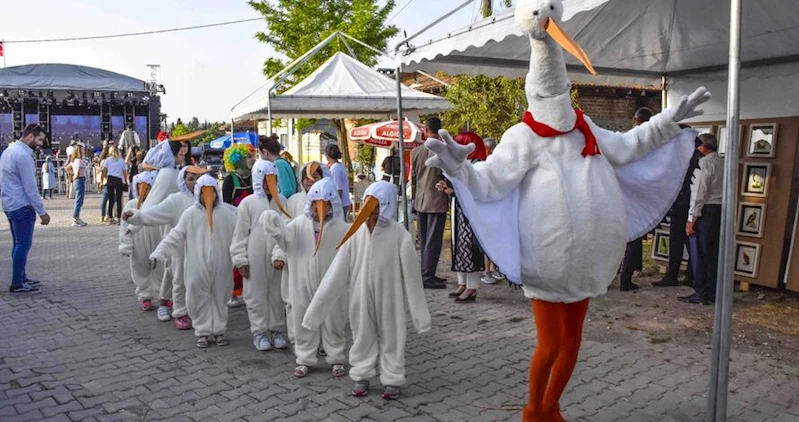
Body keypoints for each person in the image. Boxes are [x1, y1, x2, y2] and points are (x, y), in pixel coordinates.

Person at [424, 1, 709, 418]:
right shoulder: (522, 137)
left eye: (560, 93)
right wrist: (460, 167)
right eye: (547, 93)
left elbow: (629, 147)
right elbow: (491, 181)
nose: (555, 100)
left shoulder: (584, 127)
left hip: (588, 261)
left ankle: (551, 407)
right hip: (547, 261)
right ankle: (532, 411)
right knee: (550, 343)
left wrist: (666, 123)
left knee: (573, 342)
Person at [301, 181, 431, 400]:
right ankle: (361, 374)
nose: (373, 213)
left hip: (391, 298)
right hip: (360, 297)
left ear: (388, 206)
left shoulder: (401, 236)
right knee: (362, 335)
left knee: (392, 337)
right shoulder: (355, 234)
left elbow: (412, 279)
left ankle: (392, 378)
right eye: (368, 206)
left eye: (378, 206)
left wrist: (421, 317)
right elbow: (336, 274)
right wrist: (315, 313)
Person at [265, 178, 350, 379]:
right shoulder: (297, 225)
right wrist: (274, 229)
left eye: (325, 204)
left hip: (332, 285)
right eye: (315, 204)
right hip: (301, 282)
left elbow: (352, 251)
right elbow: (284, 242)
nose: (318, 209)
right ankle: (304, 358)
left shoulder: (342, 229)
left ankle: (336, 357)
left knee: (334, 320)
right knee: (302, 319)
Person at [151, 174, 237, 348]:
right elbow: (174, 236)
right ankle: (203, 330)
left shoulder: (227, 214)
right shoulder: (190, 215)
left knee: (221, 297)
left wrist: (242, 258)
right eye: (204, 192)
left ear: (216, 193)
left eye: (211, 192)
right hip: (196, 267)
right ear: (198, 193)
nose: (208, 196)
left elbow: (240, 236)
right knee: (198, 298)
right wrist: (159, 253)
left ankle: (219, 329)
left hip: (222, 266)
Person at [123, 166, 210, 328]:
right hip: (178, 247)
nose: (195, 183)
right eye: (191, 179)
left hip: (199, 247)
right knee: (177, 278)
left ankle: (190, 307)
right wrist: (137, 216)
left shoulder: (207, 197)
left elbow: (223, 211)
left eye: (198, 179)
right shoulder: (175, 199)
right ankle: (178, 311)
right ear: (182, 181)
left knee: (193, 278)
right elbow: (155, 212)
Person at [230, 160, 291, 351]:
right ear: (258, 179)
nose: (268, 185)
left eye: (272, 180)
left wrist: (281, 253)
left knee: (276, 295)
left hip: (277, 260)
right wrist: (240, 259)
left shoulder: (282, 201)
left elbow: (286, 230)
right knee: (255, 295)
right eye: (265, 180)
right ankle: (259, 332)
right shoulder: (248, 204)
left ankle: (277, 330)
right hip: (254, 257)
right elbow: (240, 234)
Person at [0, 124, 51, 294]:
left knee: (18, 244)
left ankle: (21, 277)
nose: (40, 143)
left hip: (10, 204)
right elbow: (30, 188)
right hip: (22, 206)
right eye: (39, 139)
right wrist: (42, 212)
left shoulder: (9, 151)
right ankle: (17, 283)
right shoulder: (23, 155)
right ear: (30, 136)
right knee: (23, 245)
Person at [438, 132, 487, 303]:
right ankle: (463, 283)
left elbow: (474, 190)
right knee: (458, 245)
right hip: (459, 209)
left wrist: (452, 191)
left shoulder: (478, 165)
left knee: (469, 247)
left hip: (470, 212)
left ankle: (472, 287)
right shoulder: (463, 164)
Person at [654, 129, 704, 287]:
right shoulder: (697, 155)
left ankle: (675, 274)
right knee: (689, 241)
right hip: (689, 202)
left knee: (679, 240)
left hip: (683, 202)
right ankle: (690, 274)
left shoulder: (685, 156)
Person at [680, 133, 724, 305]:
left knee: (699, 253)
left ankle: (701, 292)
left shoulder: (703, 163)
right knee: (713, 254)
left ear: (703, 147)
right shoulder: (722, 162)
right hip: (719, 210)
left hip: (705, 211)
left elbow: (699, 194)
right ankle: (712, 291)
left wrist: (692, 220)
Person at [411, 117, 450, 289]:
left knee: (425, 238)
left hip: (420, 199)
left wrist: (414, 198)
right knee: (433, 239)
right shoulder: (443, 151)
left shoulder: (416, 151)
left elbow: (413, 178)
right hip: (436, 200)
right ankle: (427, 275)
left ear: (425, 130)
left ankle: (427, 272)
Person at [618, 107, 654, 291]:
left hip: (619, 192)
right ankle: (625, 279)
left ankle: (615, 274)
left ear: (634, 120)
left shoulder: (625, 139)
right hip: (636, 194)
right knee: (633, 237)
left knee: (618, 237)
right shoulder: (649, 142)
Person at [119, 171, 164, 311]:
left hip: (157, 240)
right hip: (139, 243)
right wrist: (126, 243)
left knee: (161, 268)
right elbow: (124, 226)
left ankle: (163, 295)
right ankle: (145, 296)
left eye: (147, 188)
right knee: (140, 267)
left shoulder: (159, 204)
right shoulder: (131, 205)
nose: (143, 191)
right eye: (140, 187)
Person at [222, 142, 256, 308]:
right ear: (238, 159)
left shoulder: (254, 176)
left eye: (252, 155)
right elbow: (226, 205)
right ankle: (232, 292)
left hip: (253, 224)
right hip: (235, 224)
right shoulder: (230, 180)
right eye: (248, 156)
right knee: (234, 259)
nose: (252, 159)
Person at [102, 146, 129, 225]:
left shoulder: (107, 160)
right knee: (119, 199)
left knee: (111, 199)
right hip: (118, 179)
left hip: (110, 179)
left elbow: (104, 171)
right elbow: (125, 172)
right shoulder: (121, 161)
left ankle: (110, 217)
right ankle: (119, 218)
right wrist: (125, 181)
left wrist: (105, 177)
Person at [325, 144, 351, 221]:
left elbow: (338, 189)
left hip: (340, 203)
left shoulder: (335, 168)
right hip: (344, 202)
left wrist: (335, 205)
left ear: (327, 155)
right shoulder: (339, 166)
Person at [70, 144, 89, 227]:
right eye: (82, 150)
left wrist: (72, 174)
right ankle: (76, 217)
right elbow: (77, 172)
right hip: (80, 179)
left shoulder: (74, 160)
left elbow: (67, 168)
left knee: (79, 200)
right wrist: (75, 176)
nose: (84, 151)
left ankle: (76, 217)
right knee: (79, 200)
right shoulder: (78, 161)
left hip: (79, 180)